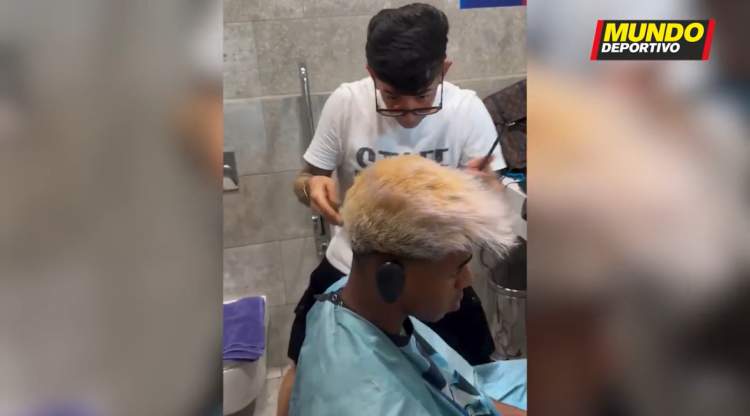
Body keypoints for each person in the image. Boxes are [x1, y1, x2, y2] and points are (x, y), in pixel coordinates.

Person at [280, 4, 507, 413]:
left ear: (444, 69)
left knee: (467, 377)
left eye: (422, 98)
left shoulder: (466, 111)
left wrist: (489, 189)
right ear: (371, 74)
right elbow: (306, 178)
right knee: (303, 366)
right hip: (352, 269)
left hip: (436, 276)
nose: (408, 114)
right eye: (391, 98)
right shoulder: (346, 103)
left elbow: (496, 197)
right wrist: (311, 185)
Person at [290, 155, 526, 415]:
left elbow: (466, 395)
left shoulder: (346, 295)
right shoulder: (373, 405)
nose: (467, 280)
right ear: (391, 276)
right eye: (457, 269)